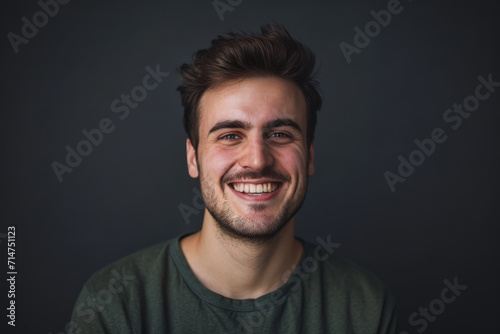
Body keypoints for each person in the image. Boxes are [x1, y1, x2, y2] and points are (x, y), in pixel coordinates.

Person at [70, 24, 397, 333]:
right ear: (192, 157)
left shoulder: (364, 307)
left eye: (281, 134)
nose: (257, 160)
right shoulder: (116, 304)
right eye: (229, 135)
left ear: (309, 156)